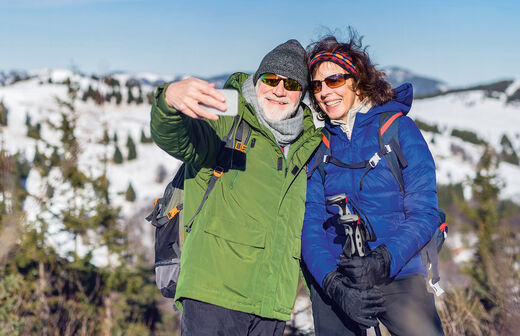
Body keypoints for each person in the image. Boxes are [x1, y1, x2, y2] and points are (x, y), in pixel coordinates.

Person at [151, 39, 322, 336]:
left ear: (301, 94)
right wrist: (168, 100)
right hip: (213, 298)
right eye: (271, 79)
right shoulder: (226, 122)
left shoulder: (307, 145)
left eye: (291, 84)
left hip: (272, 305)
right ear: (257, 82)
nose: (279, 90)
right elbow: (177, 138)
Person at [301, 32, 445, 335]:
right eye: (316, 85)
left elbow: (424, 213)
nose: (324, 92)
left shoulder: (399, 131)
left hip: (399, 273)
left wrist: (383, 260)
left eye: (335, 80)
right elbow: (310, 225)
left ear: (357, 80)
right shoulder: (318, 146)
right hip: (338, 280)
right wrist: (333, 284)